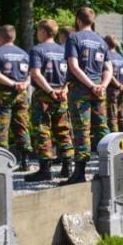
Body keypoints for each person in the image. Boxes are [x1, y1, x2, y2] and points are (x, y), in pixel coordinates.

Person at [62, 7, 112, 185]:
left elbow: (74, 67)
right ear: (93, 21)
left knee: (81, 129)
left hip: (80, 90)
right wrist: (102, 86)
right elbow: (108, 68)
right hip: (99, 89)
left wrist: (90, 85)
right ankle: (108, 169)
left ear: (78, 20)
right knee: (102, 128)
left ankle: (80, 173)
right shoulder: (101, 41)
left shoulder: (73, 38)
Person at [26, 20, 73, 182]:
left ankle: (45, 169)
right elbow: (71, 72)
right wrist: (64, 89)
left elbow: (36, 73)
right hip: (62, 95)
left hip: (44, 95)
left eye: (38, 30)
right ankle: (68, 166)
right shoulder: (64, 50)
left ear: (43, 32)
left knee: (42, 130)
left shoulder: (37, 50)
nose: (37, 33)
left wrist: (50, 91)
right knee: (63, 130)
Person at [0, 24, 32, 171]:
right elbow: (30, 74)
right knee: (22, 126)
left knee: (1, 127)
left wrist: (13, 84)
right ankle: (25, 161)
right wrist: (24, 84)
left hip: (3, 95)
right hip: (22, 95)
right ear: (14, 37)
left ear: (0, 37)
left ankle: (2, 164)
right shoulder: (24, 54)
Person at [105, 35, 123, 133]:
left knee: (112, 118)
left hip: (112, 91)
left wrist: (118, 86)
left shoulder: (107, 56)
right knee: (122, 118)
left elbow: (109, 74)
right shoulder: (121, 57)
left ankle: (115, 143)